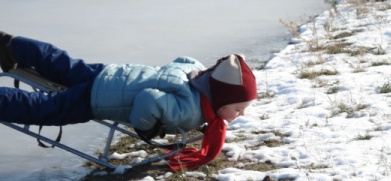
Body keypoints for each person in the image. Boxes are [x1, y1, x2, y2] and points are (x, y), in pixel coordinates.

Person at [0, 32, 257, 170]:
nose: (240, 115)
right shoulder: (189, 111)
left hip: (111, 73)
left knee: (62, 64)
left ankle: (13, 47)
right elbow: (148, 100)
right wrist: (147, 127)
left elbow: (183, 60)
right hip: (98, 97)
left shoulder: (197, 74)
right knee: (48, 109)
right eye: (238, 109)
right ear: (221, 101)